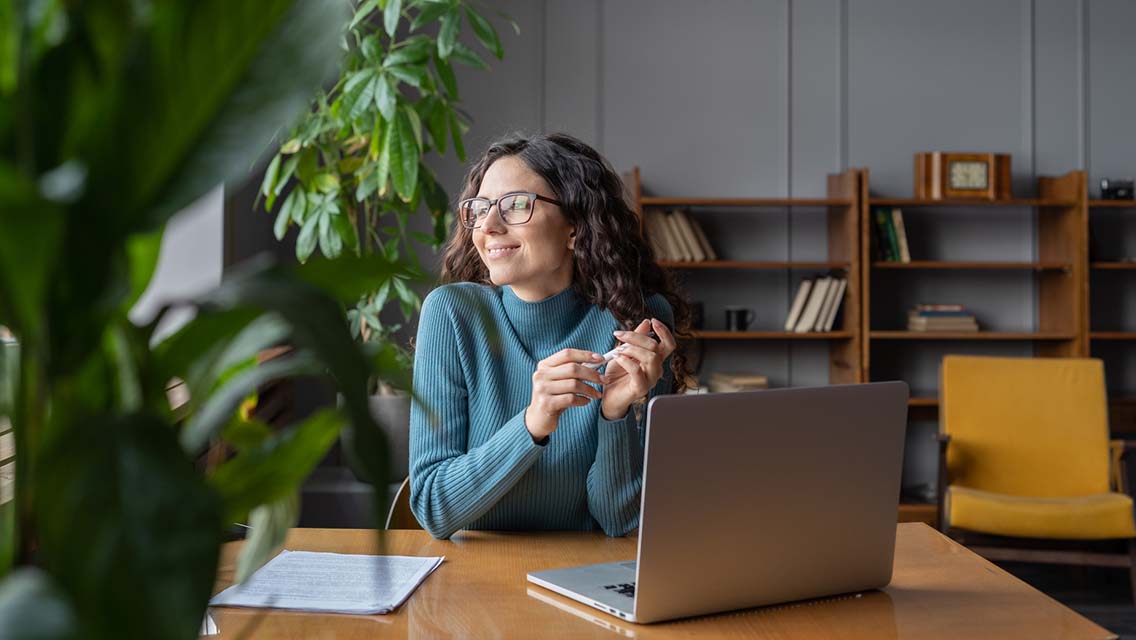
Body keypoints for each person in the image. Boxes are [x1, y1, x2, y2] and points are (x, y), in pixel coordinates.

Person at [409, 133, 692, 539]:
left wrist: (614, 413)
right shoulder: (451, 314)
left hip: (583, 569)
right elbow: (433, 507)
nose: (488, 226)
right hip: (473, 569)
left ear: (574, 227)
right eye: (480, 209)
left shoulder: (637, 321)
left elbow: (620, 520)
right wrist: (533, 421)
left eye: (516, 205)